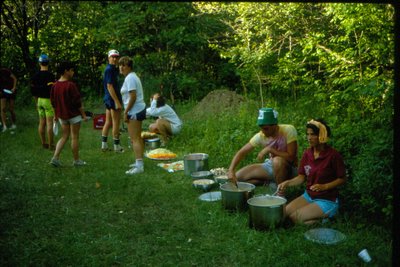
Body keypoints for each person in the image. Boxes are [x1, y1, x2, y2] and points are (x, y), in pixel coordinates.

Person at [277, 119, 346, 224]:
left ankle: (327, 219)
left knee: (294, 219)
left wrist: (324, 186)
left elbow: (342, 179)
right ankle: (316, 218)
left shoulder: (333, 155)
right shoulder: (307, 154)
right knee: (283, 214)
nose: (309, 138)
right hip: (308, 196)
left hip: (326, 200)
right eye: (308, 134)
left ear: (322, 135)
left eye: (313, 134)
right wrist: (287, 183)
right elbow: (301, 177)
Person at [228, 108, 298, 187]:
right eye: (261, 128)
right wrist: (231, 170)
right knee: (237, 177)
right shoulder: (261, 135)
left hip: (289, 168)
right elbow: (242, 152)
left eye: (265, 128)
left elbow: (291, 157)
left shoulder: (288, 130)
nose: (263, 131)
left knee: (277, 161)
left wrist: (270, 149)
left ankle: (280, 193)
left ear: (274, 125)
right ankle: (268, 182)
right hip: (270, 165)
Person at [49, 61, 88, 167]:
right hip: (74, 116)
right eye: (71, 70)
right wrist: (84, 115)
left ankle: (55, 157)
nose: (73, 72)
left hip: (62, 116)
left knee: (64, 136)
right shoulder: (71, 85)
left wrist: (55, 116)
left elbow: (53, 103)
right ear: (66, 71)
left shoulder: (55, 86)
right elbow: (78, 103)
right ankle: (76, 161)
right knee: (74, 137)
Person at [119, 56, 146, 174]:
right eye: (120, 65)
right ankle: (139, 162)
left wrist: (126, 112)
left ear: (129, 66)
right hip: (138, 109)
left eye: (123, 65)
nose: (121, 67)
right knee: (138, 137)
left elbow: (133, 97)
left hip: (134, 110)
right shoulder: (132, 76)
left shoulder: (130, 78)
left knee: (134, 138)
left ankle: (139, 166)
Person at [30, 54, 56, 149]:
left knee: (41, 123)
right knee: (49, 123)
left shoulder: (35, 76)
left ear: (39, 63)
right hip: (48, 101)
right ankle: (51, 144)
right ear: (48, 63)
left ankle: (43, 142)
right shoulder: (51, 76)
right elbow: (53, 90)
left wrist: (36, 102)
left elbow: (33, 91)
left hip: (39, 100)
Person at [101, 49, 124, 153]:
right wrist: (117, 101)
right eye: (112, 57)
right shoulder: (109, 70)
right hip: (112, 99)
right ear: (108, 58)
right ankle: (117, 146)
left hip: (108, 98)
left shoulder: (114, 69)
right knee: (116, 123)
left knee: (108, 122)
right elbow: (109, 86)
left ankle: (104, 145)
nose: (114, 59)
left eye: (116, 57)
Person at [0, 67, 17, 132]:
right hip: (2, 92)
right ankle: (4, 126)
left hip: (11, 91)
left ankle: (14, 124)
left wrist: (14, 87)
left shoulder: (5, 71)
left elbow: (15, 79)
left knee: (11, 109)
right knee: (3, 108)